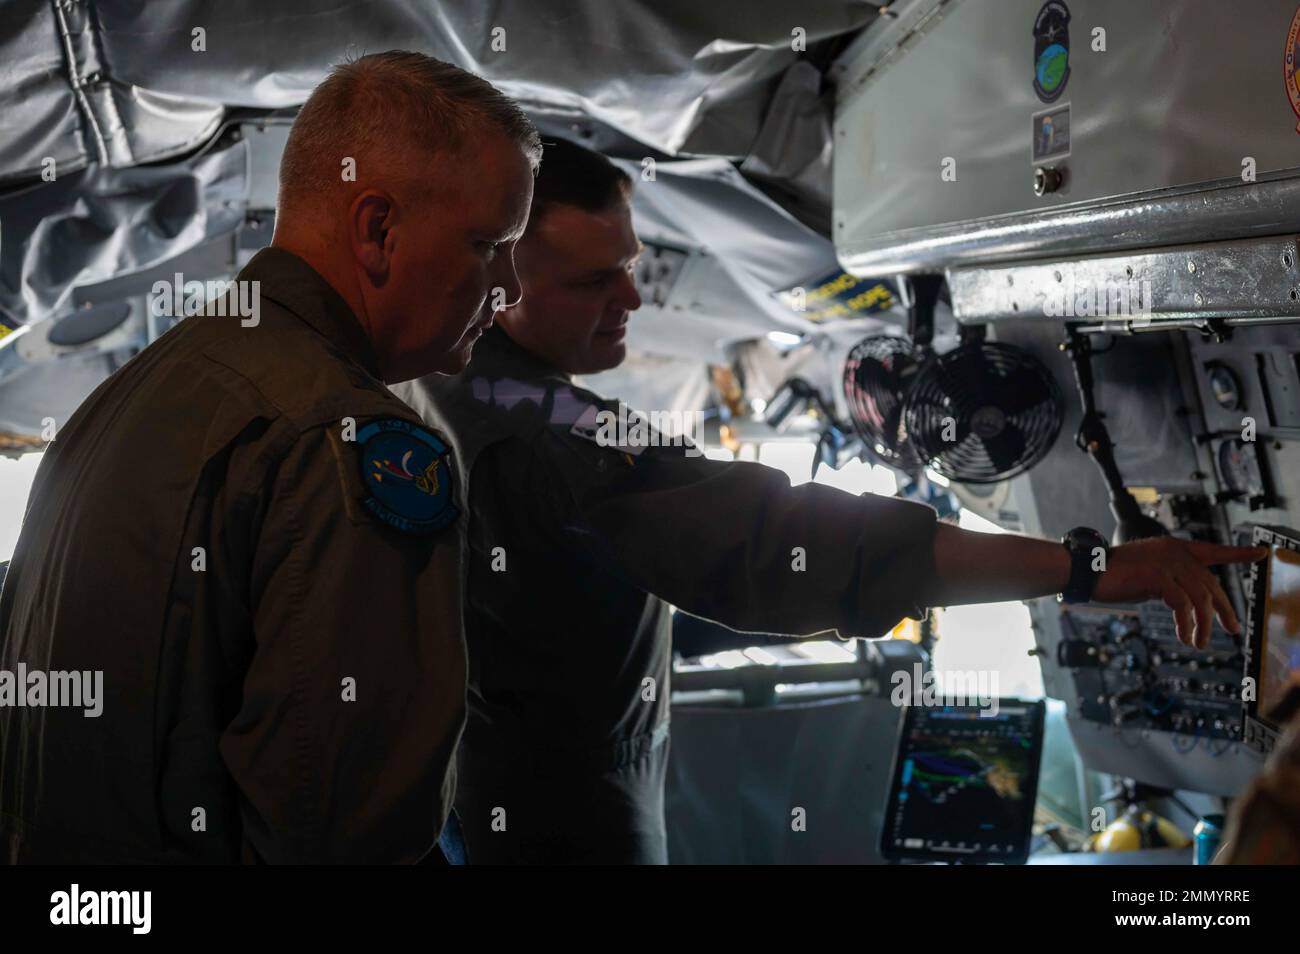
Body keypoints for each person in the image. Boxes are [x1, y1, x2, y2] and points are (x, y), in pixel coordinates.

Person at [395, 138, 1267, 865]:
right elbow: (778, 540)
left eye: (631, 267)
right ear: (499, 282)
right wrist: (1087, 568)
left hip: (483, 800)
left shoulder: (434, 383)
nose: (629, 299)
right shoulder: (559, 434)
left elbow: (621, 584)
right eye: (592, 283)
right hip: (559, 823)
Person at [0, 51, 539, 863]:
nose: (509, 288)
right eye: (490, 245)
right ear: (379, 231)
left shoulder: (118, 402)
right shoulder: (350, 442)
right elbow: (344, 834)